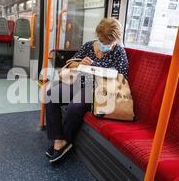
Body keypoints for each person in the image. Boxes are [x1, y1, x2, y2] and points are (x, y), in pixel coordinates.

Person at [44, 18, 129, 163]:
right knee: (51, 96)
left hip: (98, 88)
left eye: (108, 43)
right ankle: (59, 138)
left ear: (116, 40)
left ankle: (64, 141)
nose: (104, 45)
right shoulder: (89, 46)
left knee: (75, 106)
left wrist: (104, 72)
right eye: (101, 40)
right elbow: (70, 64)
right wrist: (79, 63)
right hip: (78, 82)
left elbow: (122, 77)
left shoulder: (119, 52)